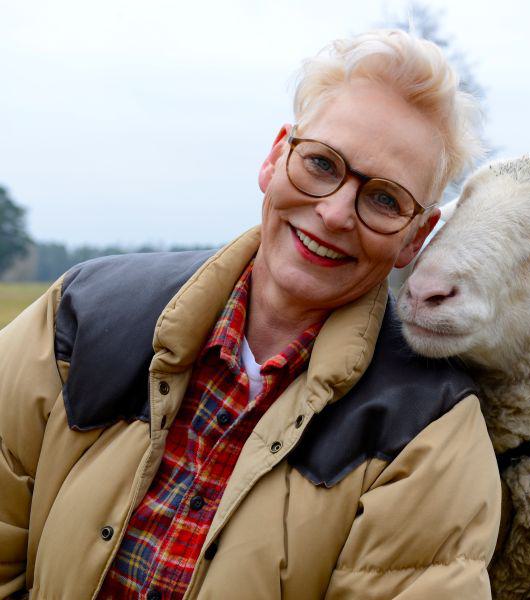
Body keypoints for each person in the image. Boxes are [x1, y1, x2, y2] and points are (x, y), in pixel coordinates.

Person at [0, 30, 501, 599]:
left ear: (415, 237)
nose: (335, 213)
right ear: (275, 156)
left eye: (385, 199)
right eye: (321, 163)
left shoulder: (429, 431)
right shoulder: (81, 315)